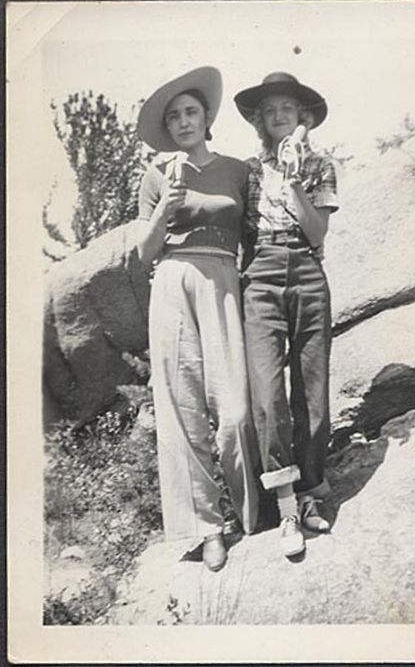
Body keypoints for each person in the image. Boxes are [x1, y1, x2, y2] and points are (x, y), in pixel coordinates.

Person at [136, 66, 258, 572]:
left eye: (191, 111)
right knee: (182, 410)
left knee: (235, 411)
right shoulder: (155, 175)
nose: (184, 121)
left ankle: (256, 515)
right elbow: (144, 252)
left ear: (207, 117)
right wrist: (166, 202)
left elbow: (255, 238)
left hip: (224, 279)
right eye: (174, 116)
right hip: (171, 280)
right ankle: (207, 529)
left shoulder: (238, 169)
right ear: (167, 128)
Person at [234, 72, 339, 558]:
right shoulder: (247, 171)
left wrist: (295, 183)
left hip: (307, 269)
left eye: (288, 109)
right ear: (260, 119)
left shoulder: (321, 166)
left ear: (303, 117)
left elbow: (318, 233)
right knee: (268, 394)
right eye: (270, 109)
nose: (279, 115)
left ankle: (312, 486)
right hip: (261, 271)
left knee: (313, 391)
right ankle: (286, 505)